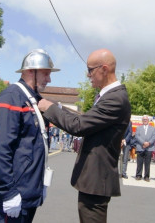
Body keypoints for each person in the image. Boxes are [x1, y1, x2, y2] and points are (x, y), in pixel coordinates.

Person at [39, 49, 131, 223]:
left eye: (90, 69)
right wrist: (55, 107)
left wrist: (49, 109)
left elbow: (79, 125)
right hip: (94, 182)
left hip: (97, 182)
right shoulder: (110, 96)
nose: (88, 75)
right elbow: (84, 120)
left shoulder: (115, 99)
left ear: (104, 69)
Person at [0, 49, 59, 222]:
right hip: (16, 192)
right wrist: (7, 192)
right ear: (30, 71)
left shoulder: (32, 98)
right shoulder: (12, 97)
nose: (49, 79)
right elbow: (0, 149)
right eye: (45, 73)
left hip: (29, 192)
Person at [135, 115, 155, 182]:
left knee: (147, 163)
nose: (145, 120)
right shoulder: (138, 128)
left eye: (146, 119)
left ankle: (146, 176)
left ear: (148, 120)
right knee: (139, 162)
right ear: (142, 120)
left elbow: (154, 137)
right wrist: (143, 143)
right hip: (140, 147)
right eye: (143, 119)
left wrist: (148, 143)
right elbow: (137, 136)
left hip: (149, 148)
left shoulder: (152, 128)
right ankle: (138, 175)